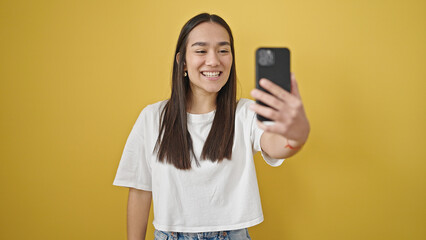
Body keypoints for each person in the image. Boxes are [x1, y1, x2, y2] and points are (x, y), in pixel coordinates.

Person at [113, 13, 310, 240]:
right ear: (182, 62)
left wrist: (297, 134)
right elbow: (139, 191)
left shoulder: (245, 113)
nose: (214, 60)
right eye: (201, 50)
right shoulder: (152, 117)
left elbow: (277, 146)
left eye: (223, 50)